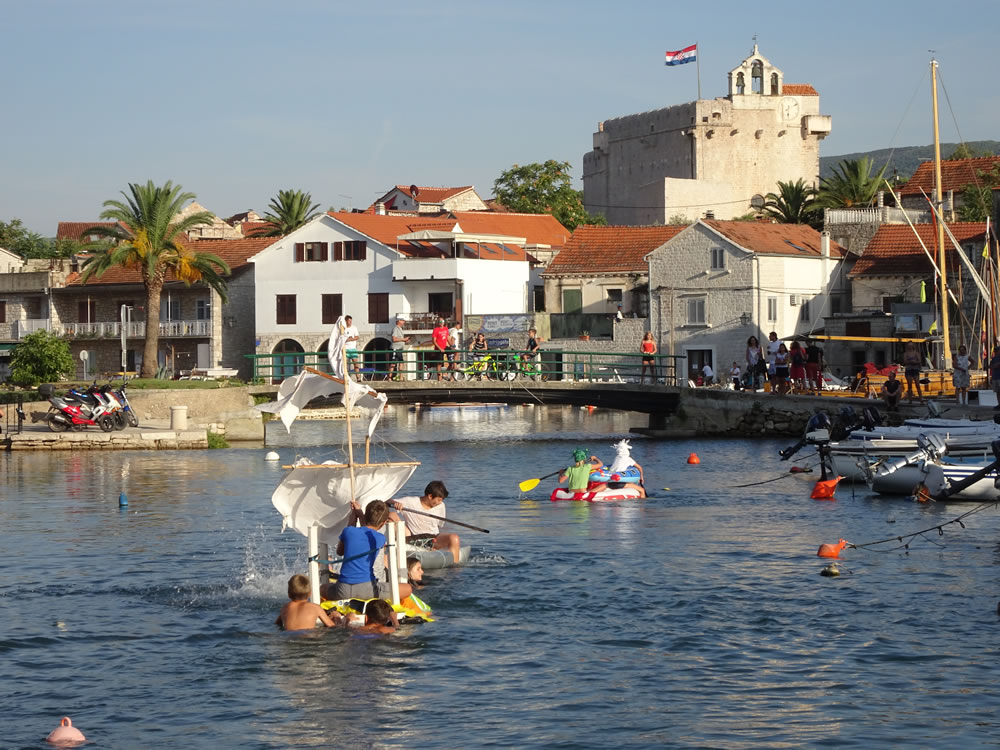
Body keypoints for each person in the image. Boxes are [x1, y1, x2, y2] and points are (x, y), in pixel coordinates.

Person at [328, 500, 391, 601]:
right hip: (367, 589)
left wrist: (353, 519)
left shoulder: (348, 531)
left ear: (366, 516)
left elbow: (340, 552)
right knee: (407, 589)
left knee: (322, 588)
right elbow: (368, 533)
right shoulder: (380, 538)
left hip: (343, 590)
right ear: (383, 523)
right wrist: (360, 514)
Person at [391, 480, 461, 564]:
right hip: (414, 538)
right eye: (438, 500)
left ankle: (454, 567)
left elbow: (439, 525)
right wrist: (395, 503)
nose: (440, 503)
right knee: (392, 514)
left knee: (454, 538)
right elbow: (386, 500)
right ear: (430, 496)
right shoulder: (410, 501)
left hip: (432, 538)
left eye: (441, 500)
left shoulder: (441, 506)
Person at [275, 574, 341, 631]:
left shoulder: (285, 607)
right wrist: (336, 617)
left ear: (289, 594)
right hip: (307, 636)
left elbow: (277, 624)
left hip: (288, 637)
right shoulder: (316, 607)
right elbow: (331, 626)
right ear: (310, 593)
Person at [343, 315, 362, 380]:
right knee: (345, 364)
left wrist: (350, 339)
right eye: (349, 321)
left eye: (351, 321)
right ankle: (345, 377)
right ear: (346, 321)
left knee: (355, 363)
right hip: (345, 349)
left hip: (352, 348)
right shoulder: (343, 328)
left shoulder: (354, 328)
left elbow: (357, 337)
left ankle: (358, 377)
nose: (350, 322)